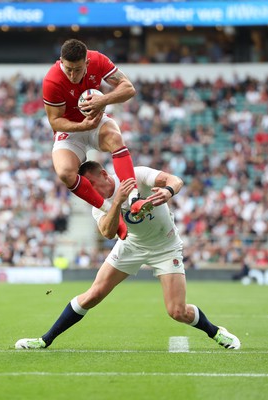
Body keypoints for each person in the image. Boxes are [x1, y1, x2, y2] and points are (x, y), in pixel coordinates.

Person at [15, 161, 241, 351]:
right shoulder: (99, 204)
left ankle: (216, 332)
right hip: (131, 246)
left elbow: (176, 180)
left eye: (92, 184)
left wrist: (168, 191)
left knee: (177, 311)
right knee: (93, 295)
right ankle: (45, 340)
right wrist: (115, 202)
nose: (92, 190)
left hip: (165, 246)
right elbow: (107, 232)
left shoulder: (137, 175)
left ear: (104, 174)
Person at [42, 38, 152, 239]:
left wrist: (103, 100)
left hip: (96, 120)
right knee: (65, 173)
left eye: (77, 69)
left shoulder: (98, 60)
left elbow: (129, 88)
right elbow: (55, 122)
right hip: (71, 129)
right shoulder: (52, 81)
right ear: (61, 62)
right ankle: (109, 210)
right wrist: (81, 126)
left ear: (87, 62)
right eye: (68, 69)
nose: (73, 75)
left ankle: (135, 197)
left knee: (115, 137)